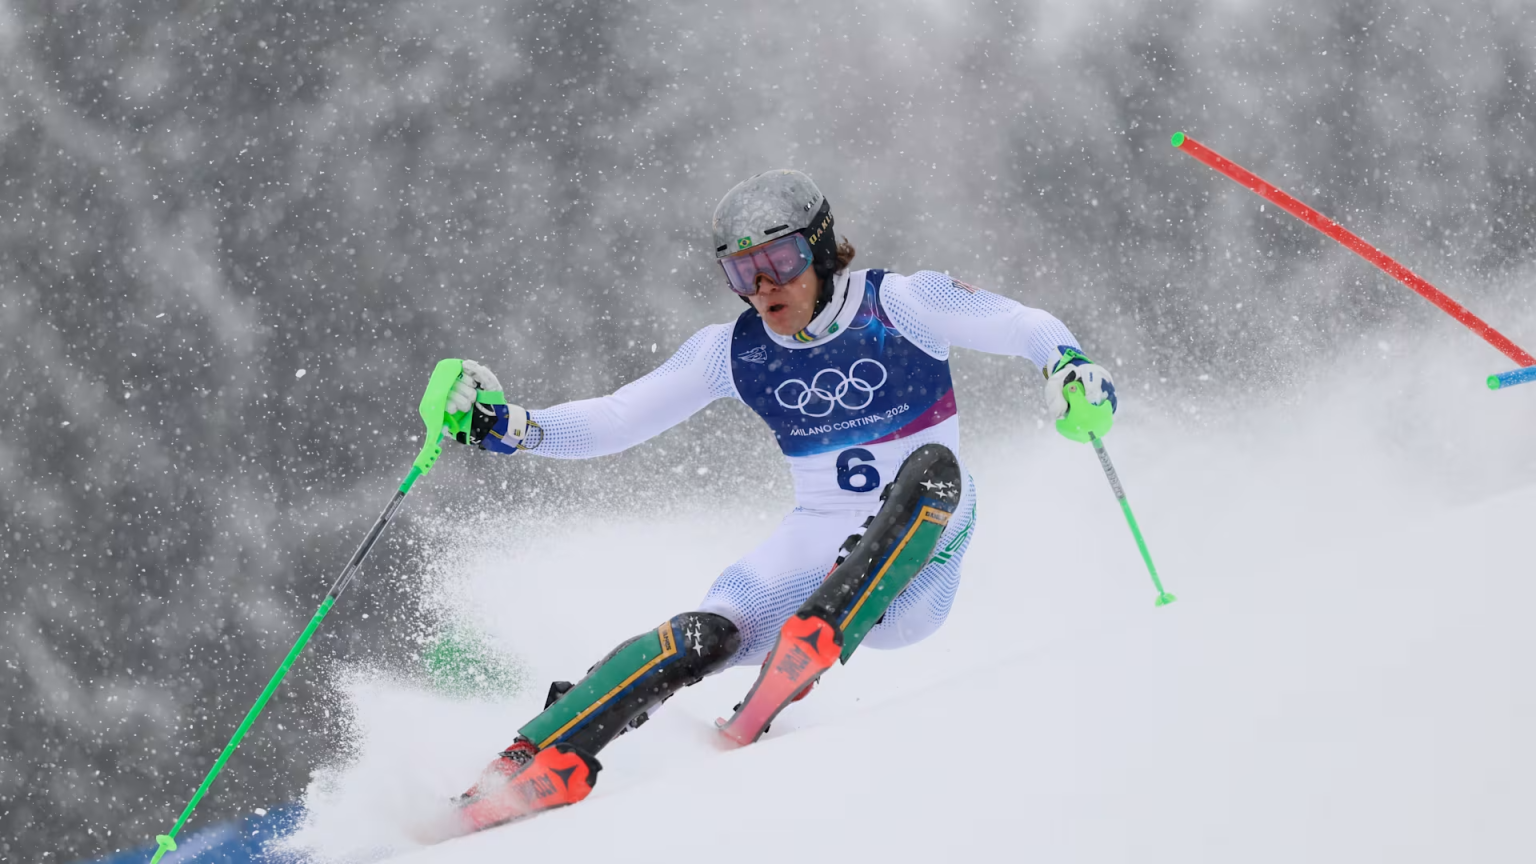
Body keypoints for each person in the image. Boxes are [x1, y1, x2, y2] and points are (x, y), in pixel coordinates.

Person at [432, 169, 1117, 833]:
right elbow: (617, 419)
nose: (763, 287)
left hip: (922, 556)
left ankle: (818, 632)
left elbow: (1018, 323)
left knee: (938, 469)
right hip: (817, 543)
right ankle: (529, 760)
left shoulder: (901, 302)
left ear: (820, 248)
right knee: (705, 631)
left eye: (780, 261)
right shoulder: (731, 352)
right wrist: (505, 425)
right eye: (741, 272)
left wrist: (1068, 364)